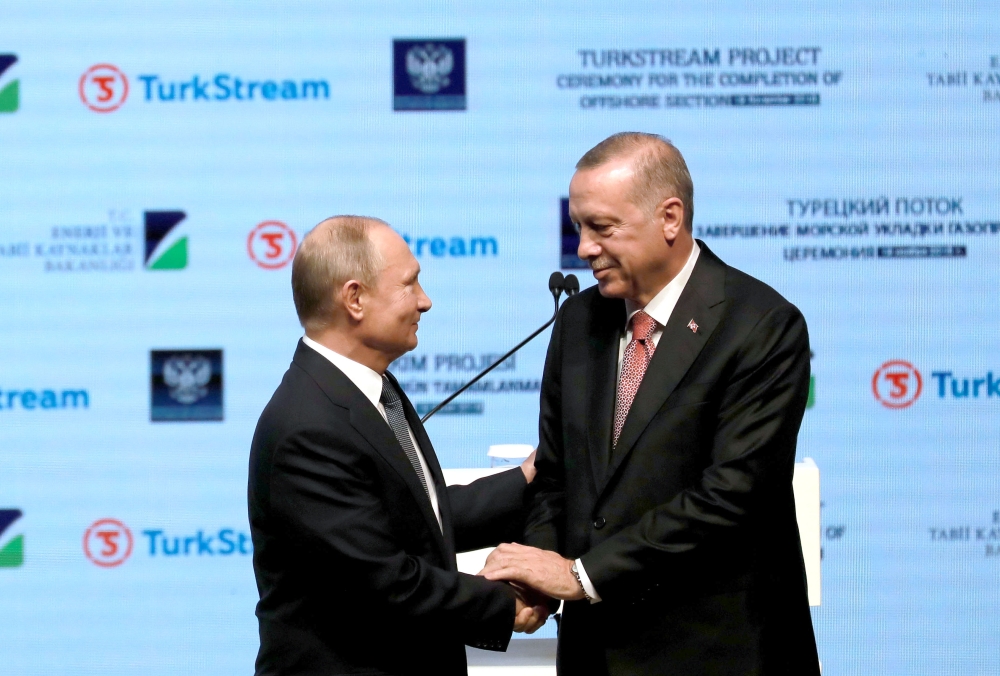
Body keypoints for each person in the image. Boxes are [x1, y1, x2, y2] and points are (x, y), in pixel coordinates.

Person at [479, 133, 820, 675]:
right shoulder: (577, 321)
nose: (584, 248)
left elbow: (731, 497)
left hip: (717, 651)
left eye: (602, 228)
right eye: (579, 228)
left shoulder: (760, 325)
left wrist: (581, 575)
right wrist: (536, 575)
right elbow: (555, 474)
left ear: (670, 217)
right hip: (596, 652)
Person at [248, 216, 549, 676]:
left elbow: (414, 516)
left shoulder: (370, 389)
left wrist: (525, 481)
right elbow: (382, 581)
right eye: (410, 285)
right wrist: (504, 604)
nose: (425, 302)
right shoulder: (308, 427)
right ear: (354, 298)